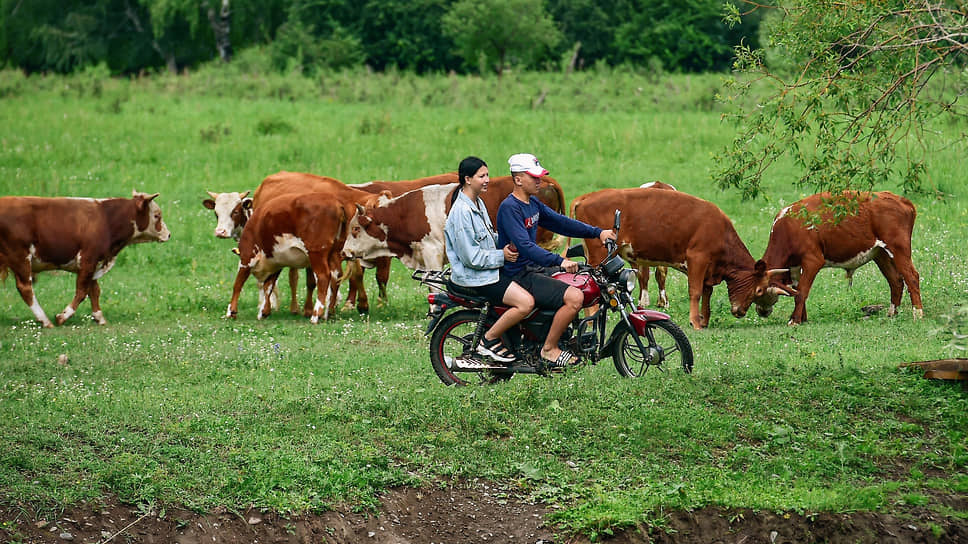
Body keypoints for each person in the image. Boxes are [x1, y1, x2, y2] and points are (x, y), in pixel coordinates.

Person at [496, 153, 616, 369]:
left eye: (539, 176)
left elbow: (561, 223)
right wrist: (559, 260)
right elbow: (525, 246)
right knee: (574, 298)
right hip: (518, 273)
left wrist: (598, 233)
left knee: (579, 280)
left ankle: (561, 337)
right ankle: (549, 349)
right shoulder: (510, 208)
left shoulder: (532, 203)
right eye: (533, 177)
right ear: (518, 179)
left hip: (533, 268)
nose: (539, 181)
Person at [444, 156, 535, 363]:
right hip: (475, 277)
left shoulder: (477, 203)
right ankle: (489, 339)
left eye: (487, 175)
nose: (487, 180)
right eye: (481, 176)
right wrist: (501, 255)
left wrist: (510, 241)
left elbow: (488, 237)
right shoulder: (461, 212)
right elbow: (471, 258)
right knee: (525, 303)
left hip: (487, 271)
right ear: (467, 179)